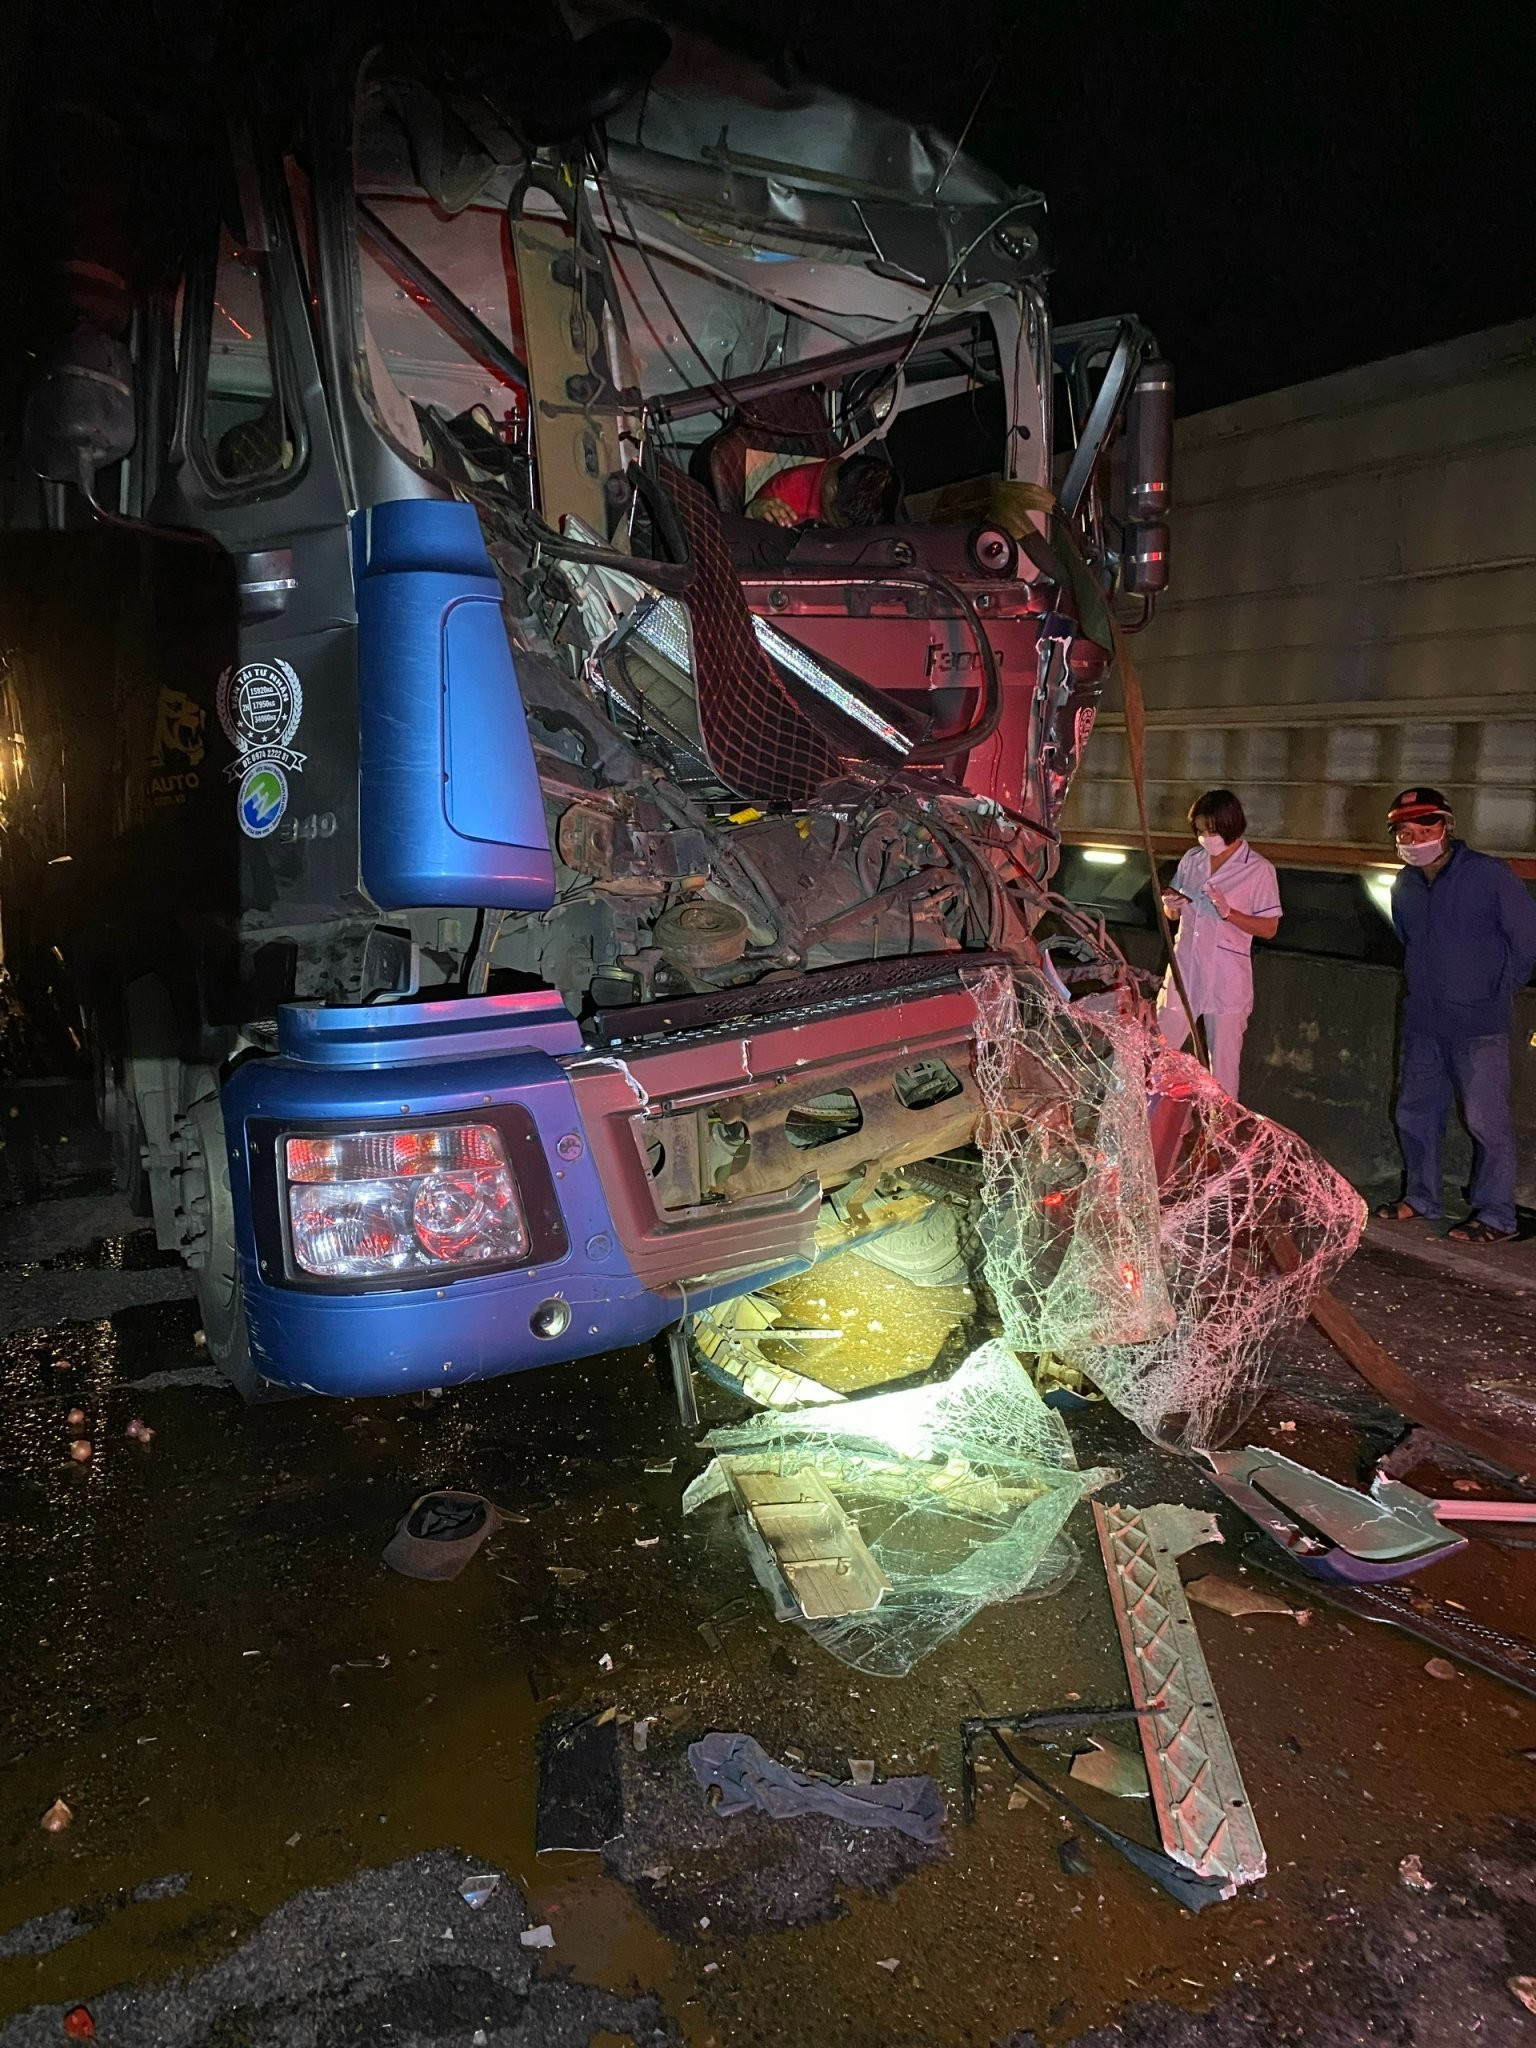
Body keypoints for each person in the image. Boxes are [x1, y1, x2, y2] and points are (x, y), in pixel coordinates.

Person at [1375, 786, 1536, 1244]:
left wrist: (1494, 990)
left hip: (1478, 1024)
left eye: (1425, 829)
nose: (1415, 839)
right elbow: (1408, 939)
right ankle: (1421, 1196)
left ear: (1446, 827)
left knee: (1486, 1120)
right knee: (1415, 1112)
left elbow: (1527, 939)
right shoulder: (1405, 885)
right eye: (1405, 832)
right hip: (1423, 1020)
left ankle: (1497, 1214)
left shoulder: (1488, 875)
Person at [1157, 788, 1282, 1101]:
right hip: (1185, 969)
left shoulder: (1258, 870)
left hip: (1226, 978)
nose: (1205, 838)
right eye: (1199, 831)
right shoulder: (1192, 860)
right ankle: (1147, 1118)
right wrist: (1171, 905)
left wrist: (1230, 914)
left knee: (1222, 1070)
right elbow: (1173, 913)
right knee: (1157, 1051)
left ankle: (1221, 1129)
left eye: (1211, 831)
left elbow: (1269, 928)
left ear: (1231, 826)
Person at [744, 451, 898, 529]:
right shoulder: (783, 499)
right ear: (831, 488)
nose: (838, 529)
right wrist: (755, 510)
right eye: (837, 522)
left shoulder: (842, 472)